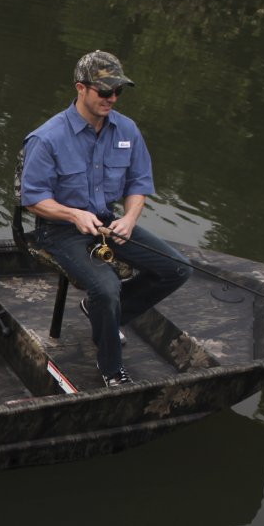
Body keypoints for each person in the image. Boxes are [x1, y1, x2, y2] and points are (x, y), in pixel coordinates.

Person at [19, 50, 190, 388]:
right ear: (80, 88)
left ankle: (105, 320)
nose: (112, 99)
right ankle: (111, 369)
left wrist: (129, 218)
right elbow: (33, 199)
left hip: (109, 224)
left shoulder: (127, 129)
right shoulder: (47, 137)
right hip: (59, 230)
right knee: (108, 286)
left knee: (177, 268)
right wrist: (73, 213)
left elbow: (139, 183)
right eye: (104, 92)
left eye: (118, 92)